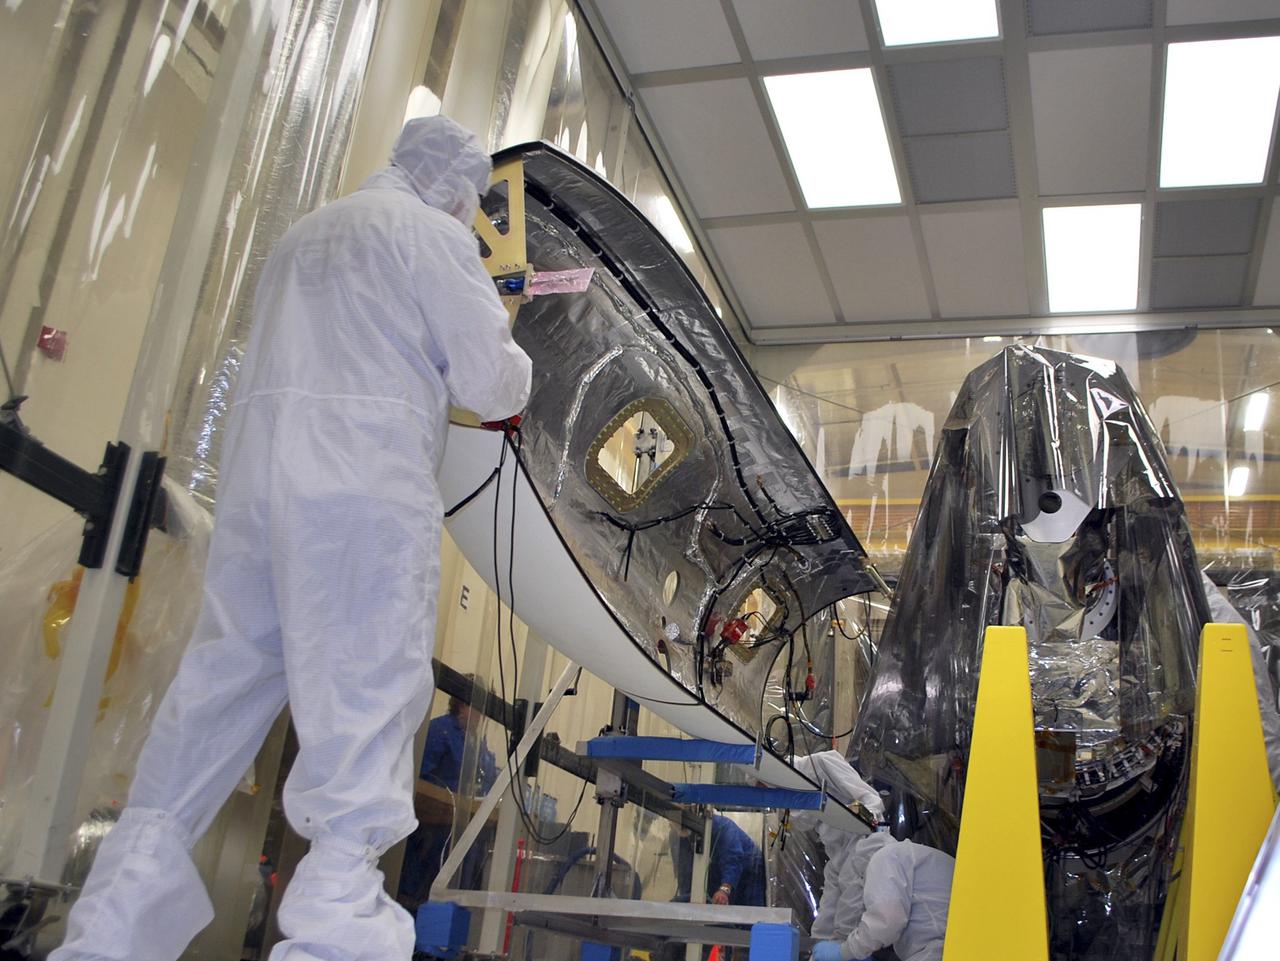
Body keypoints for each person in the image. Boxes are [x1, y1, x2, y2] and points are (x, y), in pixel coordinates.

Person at [50, 115, 532, 961]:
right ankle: (334, 932)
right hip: (358, 492)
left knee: (215, 692)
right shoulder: (431, 237)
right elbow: (493, 384)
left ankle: (108, 933)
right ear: (458, 192)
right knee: (366, 694)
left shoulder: (303, 233)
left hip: (257, 492)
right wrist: (511, 321)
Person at [399, 696, 497, 903]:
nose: (481, 716)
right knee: (421, 882)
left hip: (456, 821)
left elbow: (486, 778)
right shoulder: (440, 731)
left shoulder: (473, 741)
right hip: (432, 822)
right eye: (478, 708)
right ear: (462, 705)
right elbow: (421, 776)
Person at [811, 835, 954, 961]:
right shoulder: (909, 855)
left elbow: (886, 920)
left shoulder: (883, 858)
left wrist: (844, 951)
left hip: (940, 949)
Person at [672, 814, 766, 908]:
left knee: (747, 914)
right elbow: (684, 872)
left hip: (749, 877)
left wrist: (724, 889)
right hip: (716, 880)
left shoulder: (722, 827)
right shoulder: (679, 836)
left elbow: (733, 861)